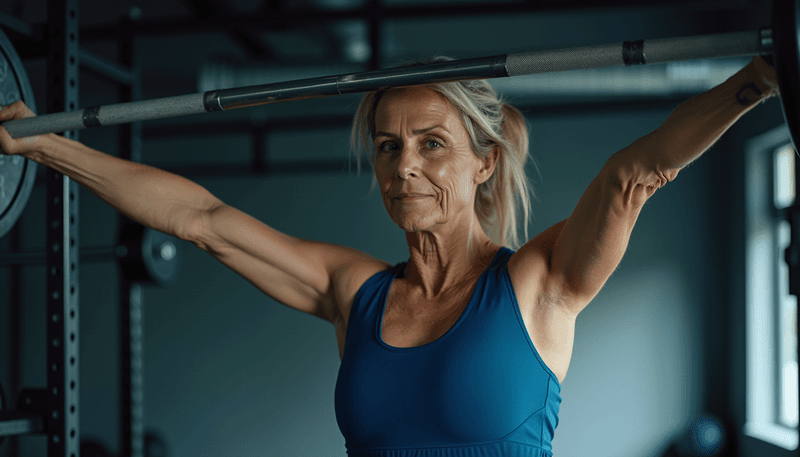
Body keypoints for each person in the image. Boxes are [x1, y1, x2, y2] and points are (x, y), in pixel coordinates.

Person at [0, 55, 779, 456]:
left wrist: (756, 82)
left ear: (484, 160)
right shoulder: (355, 292)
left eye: (432, 145)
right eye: (388, 146)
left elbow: (632, 174)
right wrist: (44, 146)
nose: (404, 164)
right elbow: (203, 219)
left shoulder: (539, 283)